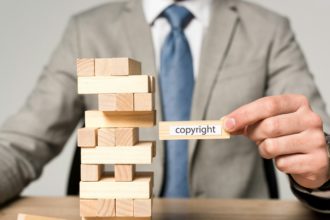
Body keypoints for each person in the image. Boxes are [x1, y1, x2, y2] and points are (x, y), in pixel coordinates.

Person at [0, 0, 329, 212]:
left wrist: (322, 173)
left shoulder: (269, 29)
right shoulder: (86, 30)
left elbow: (316, 137)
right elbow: (20, 146)